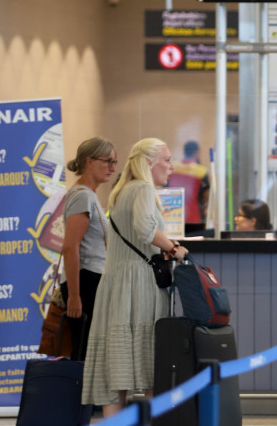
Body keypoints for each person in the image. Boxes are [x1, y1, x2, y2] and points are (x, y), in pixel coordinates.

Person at [82, 138, 189, 416]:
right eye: (166, 159)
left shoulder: (121, 190)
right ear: (149, 162)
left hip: (115, 285)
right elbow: (145, 230)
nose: (171, 165)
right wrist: (174, 248)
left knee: (115, 376)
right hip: (139, 286)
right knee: (152, 367)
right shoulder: (142, 188)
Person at [61, 137, 116, 360]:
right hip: (85, 282)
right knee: (85, 352)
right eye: (108, 162)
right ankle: (79, 395)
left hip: (90, 280)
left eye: (115, 162)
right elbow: (69, 247)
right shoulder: (83, 196)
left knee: (90, 351)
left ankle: (85, 394)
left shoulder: (89, 196)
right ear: (89, 161)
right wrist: (74, 295)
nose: (113, 168)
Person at [167, 140, 210, 234]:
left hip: (172, 215)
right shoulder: (201, 171)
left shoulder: (173, 167)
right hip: (193, 216)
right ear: (196, 152)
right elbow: (207, 195)